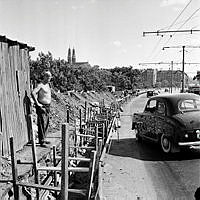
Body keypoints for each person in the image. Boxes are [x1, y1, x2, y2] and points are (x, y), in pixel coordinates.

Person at [31, 70, 52, 147]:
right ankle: (41, 141)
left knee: (46, 123)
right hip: (42, 106)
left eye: (50, 77)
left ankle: (44, 138)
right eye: (48, 77)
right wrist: (37, 104)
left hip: (47, 106)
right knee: (42, 123)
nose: (50, 78)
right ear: (45, 76)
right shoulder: (40, 85)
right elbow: (33, 93)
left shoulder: (48, 85)